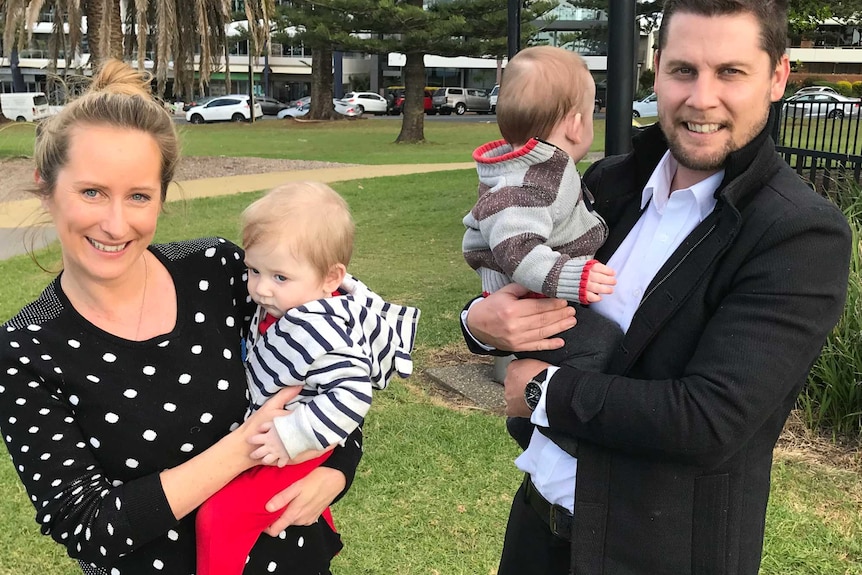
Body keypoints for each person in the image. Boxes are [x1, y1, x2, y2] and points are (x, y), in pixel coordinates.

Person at [462, 1, 852, 574]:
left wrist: (545, 392)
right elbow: (526, 291)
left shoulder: (798, 233)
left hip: (656, 552)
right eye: (683, 70)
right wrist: (480, 323)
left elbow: (709, 417)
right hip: (537, 530)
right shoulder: (608, 183)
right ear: (658, 69)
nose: (701, 98)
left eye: (731, 72)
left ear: (777, 77)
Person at [0, 60, 363, 575]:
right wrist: (243, 449)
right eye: (91, 191)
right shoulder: (26, 348)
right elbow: (87, 528)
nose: (115, 223)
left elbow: (329, 359)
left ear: (161, 197)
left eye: (139, 196)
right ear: (45, 185)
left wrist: (338, 472)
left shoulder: (216, 272)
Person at [194, 182, 419, 575]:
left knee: (218, 516)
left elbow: (353, 394)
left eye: (280, 277)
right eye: (254, 270)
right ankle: (324, 533)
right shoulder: (287, 307)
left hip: (299, 440)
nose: (261, 288)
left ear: (331, 277)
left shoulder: (322, 331)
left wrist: (293, 436)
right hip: (281, 433)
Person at [462, 45, 622, 375]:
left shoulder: (542, 171)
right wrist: (574, 276)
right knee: (602, 343)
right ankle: (560, 401)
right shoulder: (521, 186)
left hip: (540, 298)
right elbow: (516, 252)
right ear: (576, 125)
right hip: (533, 304)